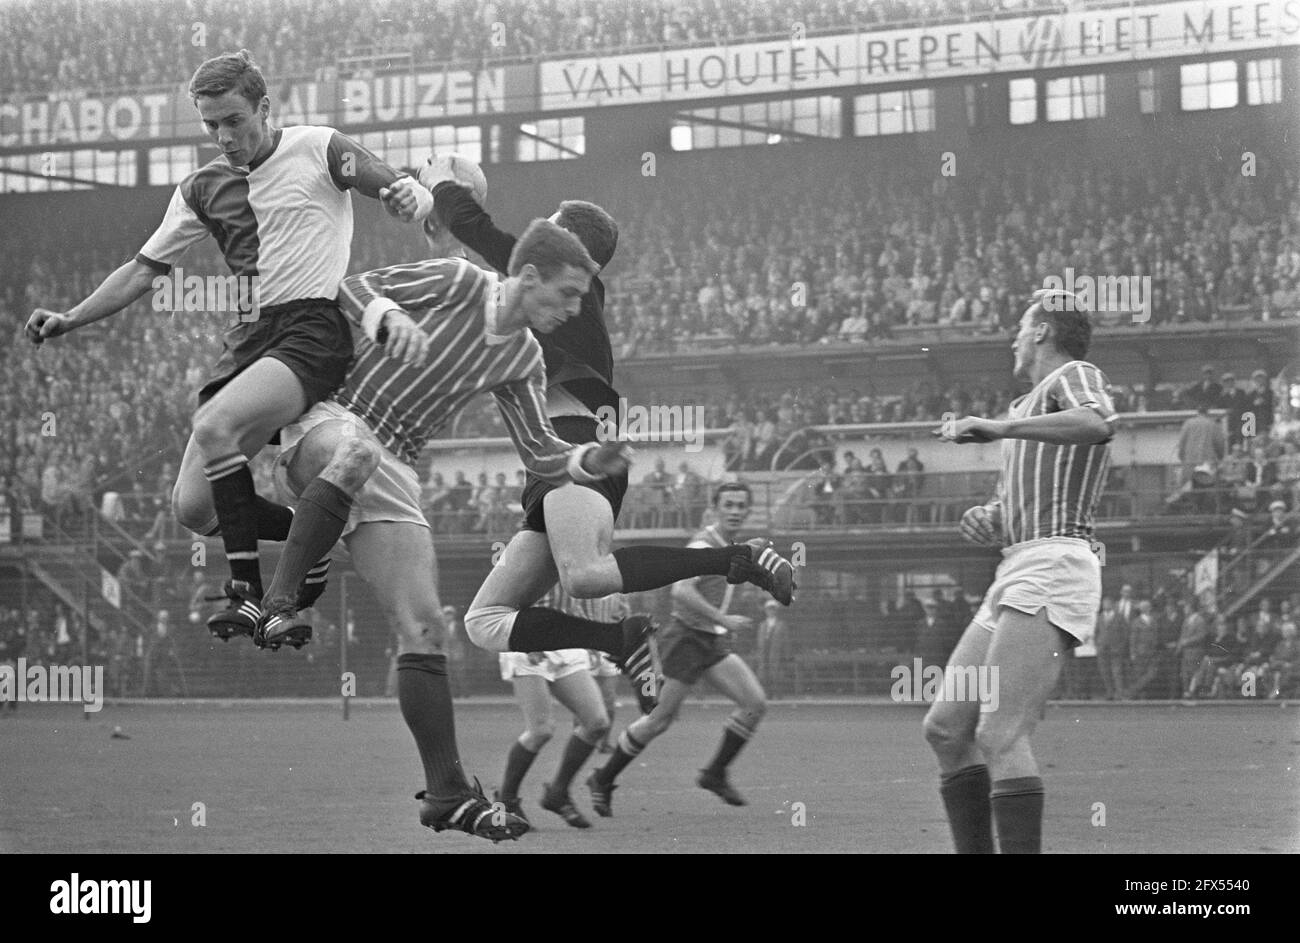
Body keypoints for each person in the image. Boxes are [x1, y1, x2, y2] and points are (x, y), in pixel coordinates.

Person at [23, 50, 431, 640]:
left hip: (308, 329)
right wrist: (71, 317)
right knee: (192, 508)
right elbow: (143, 270)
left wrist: (408, 197)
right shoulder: (201, 188)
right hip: (248, 345)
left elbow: (389, 184)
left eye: (234, 120)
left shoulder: (318, 146)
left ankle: (249, 594)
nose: (223, 136)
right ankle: (307, 536)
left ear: (265, 108)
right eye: (211, 125)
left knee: (215, 426)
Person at [256, 219, 636, 843]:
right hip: (335, 419)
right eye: (568, 293)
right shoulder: (457, 279)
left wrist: (588, 462)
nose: (574, 309)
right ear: (530, 276)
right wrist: (385, 317)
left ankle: (446, 793)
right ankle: (280, 602)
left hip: (397, 462)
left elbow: (541, 452)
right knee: (354, 456)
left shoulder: (523, 357)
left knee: (427, 628)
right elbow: (351, 287)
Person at [420, 165, 795, 681]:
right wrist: (450, 254)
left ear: (571, 247)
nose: (539, 237)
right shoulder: (558, 298)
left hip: (577, 441)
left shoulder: (572, 290)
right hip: (552, 456)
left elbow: (484, 236)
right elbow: (483, 301)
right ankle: (615, 640)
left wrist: (439, 185)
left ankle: (738, 558)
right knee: (483, 621)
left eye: (550, 228)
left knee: (586, 576)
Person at [923, 288, 1117, 854]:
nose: (1013, 335)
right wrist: (990, 515)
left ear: (1041, 332)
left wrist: (1003, 431)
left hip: (1056, 561)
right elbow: (1013, 504)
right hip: (1018, 563)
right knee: (945, 728)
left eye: (1020, 324)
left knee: (1000, 731)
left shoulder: (1073, 375)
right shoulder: (1023, 408)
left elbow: (1099, 422)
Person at [586, 482, 776, 813]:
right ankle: (603, 777)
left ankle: (714, 773)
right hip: (686, 638)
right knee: (658, 720)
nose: (733, 510)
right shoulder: (704, 544)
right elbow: (681, 592)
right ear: (715, 508)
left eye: (739, 505)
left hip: (710, 639)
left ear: (747, 510)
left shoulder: (732, 544)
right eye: (727, 504)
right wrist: (724, 619)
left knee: (755, 703)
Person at [494, 584, 619, 830]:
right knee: (541, 730)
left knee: (596, 722)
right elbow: (501, 596)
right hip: (525, 639)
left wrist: (592, 639)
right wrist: (525, 635)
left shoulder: (574, 553)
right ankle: (506, 800)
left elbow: (577, 600)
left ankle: (557, 793)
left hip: (563, 641)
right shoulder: (524, 550)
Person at [756, 599, 792, 699]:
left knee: (777, 673)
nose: (771, 611)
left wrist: (786, 654)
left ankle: (779, 694)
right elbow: (759, 640)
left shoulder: (781, 624)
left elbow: (786, 640)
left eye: (773, 609)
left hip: (777, 652)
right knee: (764, 673)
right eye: (769, 609)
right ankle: (768, 694)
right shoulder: (762, 625)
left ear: (776, 611)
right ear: (766, 611)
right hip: (765, 652)